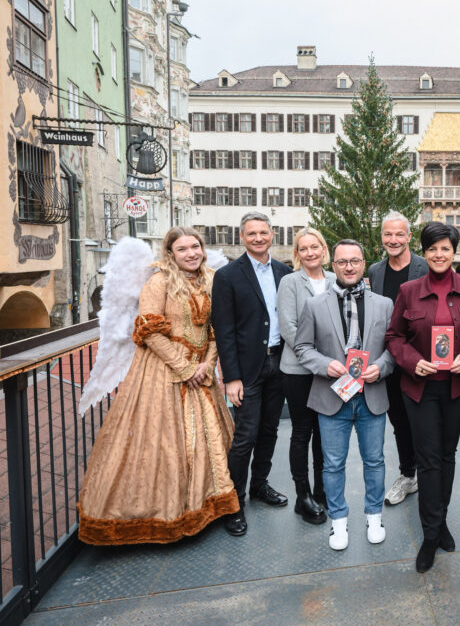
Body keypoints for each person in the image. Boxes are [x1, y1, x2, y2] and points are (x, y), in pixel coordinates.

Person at [78, 227, 239, 544]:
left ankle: (209, 505)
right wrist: (183, 367)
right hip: (162, 373)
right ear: (170, 254)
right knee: (162, 443)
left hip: (201, 372)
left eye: (195, 247)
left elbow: (215, 329)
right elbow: (149, 332)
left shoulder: (210, 280)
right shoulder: (158, 282)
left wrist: (206, 363)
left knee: (207, 441)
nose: (191, 253)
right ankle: (162, 517)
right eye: (182, 249)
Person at [385, 222, 460, 573]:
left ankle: (440, 519)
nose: (439, 254)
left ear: (454, 251)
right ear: (424, 252)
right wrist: (414, 363)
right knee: (428, 459)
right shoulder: (409, 291)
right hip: (421, 388)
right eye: (432, 249)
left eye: (445, 248)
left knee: (447, 454)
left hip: (458, 387)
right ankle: (430, 535)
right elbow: (394, 337)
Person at [294, 240, 395, 550]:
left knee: (375, 461)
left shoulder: (384, 304)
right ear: (332, 265)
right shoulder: (314, 304)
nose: (349, 267)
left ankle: (374, 516)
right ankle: (338, 522)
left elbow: (394, 347)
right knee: (333, 464)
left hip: (371, 395)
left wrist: (381, 366)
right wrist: (327, 365)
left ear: (364, 264)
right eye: (342, 262)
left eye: (354, 261)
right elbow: (302, 348)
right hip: (331, 396)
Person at [211, 212, 293, 537]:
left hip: (280, 364)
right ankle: (235, 503)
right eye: (251, 233)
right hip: (246, 371)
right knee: (245, 435)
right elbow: (224, 330)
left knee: (271, 430)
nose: (258, 238)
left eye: (263, 232)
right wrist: (231, 377)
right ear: (241, 237)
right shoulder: (228, 276)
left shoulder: (284, 272)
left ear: (272, 235)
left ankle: (260, 484)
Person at [367, 211, 428, 507]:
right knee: (399, 422)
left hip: (418, 359)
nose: (393, 240)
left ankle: (429, 477)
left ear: (408, 237)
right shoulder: (375, 271)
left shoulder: (425, 268)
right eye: (388, 234)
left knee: (423, 422)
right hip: (387, 359)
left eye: (398, 234)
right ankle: (408, 475)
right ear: (382, 236)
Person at [277, 227, 335, 526]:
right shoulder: (290, 282)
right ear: (297, 254)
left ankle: (322, 490)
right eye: (304, 248)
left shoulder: (336, 280)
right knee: (302, 432)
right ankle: (303, 496)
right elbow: (288, 327)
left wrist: (329, 363)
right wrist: (315, 360)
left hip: (330, 372)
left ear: (324, 249)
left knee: (324, 432)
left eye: (315, 246)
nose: (310, 252)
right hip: (299, 370)